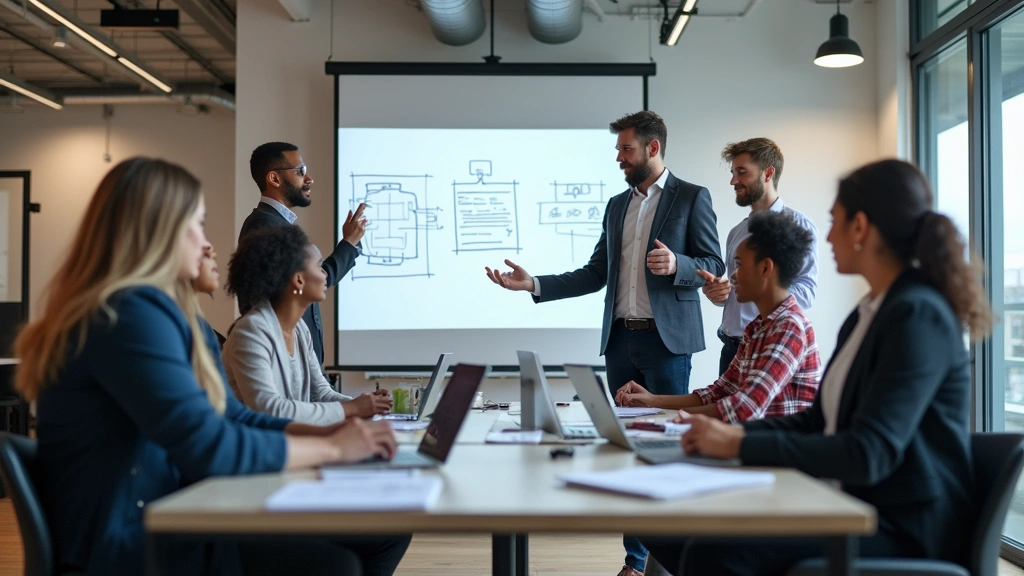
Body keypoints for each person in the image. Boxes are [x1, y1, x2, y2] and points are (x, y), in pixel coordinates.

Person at [14, 157, 406, 576]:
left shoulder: (174, 319)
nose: (207, 244)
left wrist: (336, 433)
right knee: (336, 564)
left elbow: (234, 417)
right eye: (197, 225)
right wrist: (331, 448)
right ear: (157, 232)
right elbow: (209, 444)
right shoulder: (125, 316)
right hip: (133, 545)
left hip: (177, 516)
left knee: (379, 533)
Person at [639, 159, 991, 575]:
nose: (826, 236)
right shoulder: (869, 313)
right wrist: (722, 434)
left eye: (834, 222)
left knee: (713, 552)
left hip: (902, 524)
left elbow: (868, 452)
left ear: (860, 227)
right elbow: (817, 422)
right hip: (851, 501)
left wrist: (736, 443)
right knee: (668, 529)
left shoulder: (918, 315)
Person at [486, 110, 725, 576]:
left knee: (663, 450)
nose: (619, 157)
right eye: (619, 149)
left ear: (653, 148)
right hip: (620, 343)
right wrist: (533, 283)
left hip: (668, 344)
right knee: (626, 453)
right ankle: (634, 563)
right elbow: (596, 274)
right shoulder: (618, 205)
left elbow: (712, 260)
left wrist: (678, 264)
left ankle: (665, 562)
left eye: (626, 149)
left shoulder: (693, 197)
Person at [615, 211, 820, 423]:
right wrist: (651, 400)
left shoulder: (789, 327)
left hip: (775, 452)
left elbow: (744, 408)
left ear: (765, 267)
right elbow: (719, 391)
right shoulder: (756, 327)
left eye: (739, 265)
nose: (732, 276)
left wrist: (674, 418)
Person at [223, 225, 392, 424]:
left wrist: (366, 404)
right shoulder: (251, 331)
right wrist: (353, 408)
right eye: (320, 266)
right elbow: (268, 409)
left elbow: (320, 394)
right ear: (298, 280)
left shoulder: (300, 330)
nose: (325, 275)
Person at [241, 141, 368, 370]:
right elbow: (305, 283)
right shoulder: (265, 226)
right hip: (285, 365)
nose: (309, 179)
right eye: (300, 172)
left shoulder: (277, 223)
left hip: (298, 363)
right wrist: (348, 245)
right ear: (274, 179)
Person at [699, 138, 818, 376]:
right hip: (730, 350)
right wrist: (721, 293)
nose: (733, 181)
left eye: (741, 172)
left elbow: (807, 293)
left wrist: (762, 286)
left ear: (768, 173)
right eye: (733, 173)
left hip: (769, 350)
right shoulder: (736, 232)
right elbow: (735, 295)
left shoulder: (799, 227)